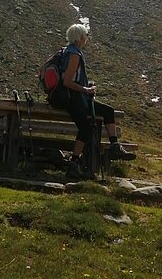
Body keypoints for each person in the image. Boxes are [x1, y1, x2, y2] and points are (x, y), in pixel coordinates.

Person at [55, 23, 136, 180]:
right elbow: (67, 81)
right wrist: (86, 90)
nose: (87, 38)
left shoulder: (67, 51)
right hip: (74, 99)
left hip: (74, 97)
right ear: (80, 38)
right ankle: (75, 162)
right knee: (86, 127)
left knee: (107, 112)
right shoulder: (74, 55)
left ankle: (113, 146)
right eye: (85, 35)